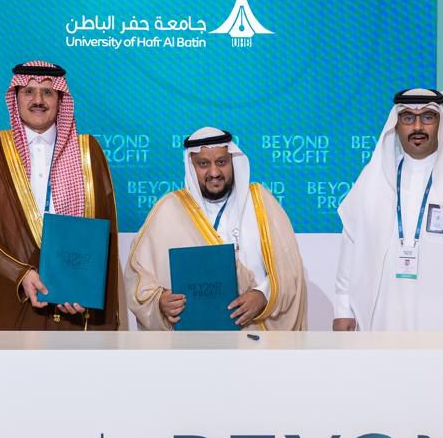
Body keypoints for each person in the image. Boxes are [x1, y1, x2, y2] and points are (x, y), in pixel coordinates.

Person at [0, 61, 120, 330]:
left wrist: (83, 286)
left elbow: (104, 230)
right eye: (29, 91)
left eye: (47, 92)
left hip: (74, 308)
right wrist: (19, 273)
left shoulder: (88, 152)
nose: (38, 100)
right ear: (15, 97)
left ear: (60, 99)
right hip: (11, 300)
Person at [333, 88, 443, 331]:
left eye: (427, 117)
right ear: (396, 125)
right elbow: (351, 245)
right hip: (385, 317)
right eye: (408, 118)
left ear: (440, 122)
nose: (418, 127)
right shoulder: (373, 179)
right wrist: (343, 308)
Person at [126, 127, 307, 330]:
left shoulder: (261, 203)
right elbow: (138, 276)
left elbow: (290, 268)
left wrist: (263, 295)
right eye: (203, 164)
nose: (214, 173)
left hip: (256, 336)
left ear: (233, 161)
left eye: (221, 162)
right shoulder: (169, 209)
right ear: (191, 166)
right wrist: (160, 301)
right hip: (193, 341)